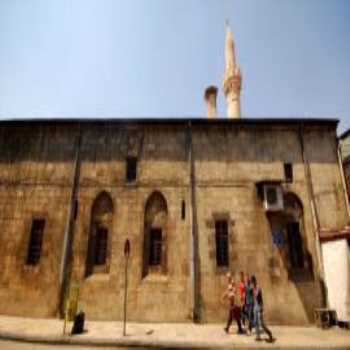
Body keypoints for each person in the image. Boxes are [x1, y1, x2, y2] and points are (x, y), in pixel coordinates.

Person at [251, 275, 274, 343]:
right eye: (252, 282)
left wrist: (253, 290)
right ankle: (258, 336)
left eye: (253, 282)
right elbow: (254, 297)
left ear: (254, 281)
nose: (252, 283)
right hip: (255, 306)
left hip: (259, 306)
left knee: (261, 323)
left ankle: (269, 334)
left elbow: (256, 295)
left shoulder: (258, 287)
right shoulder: (253, 288)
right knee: (255, 322)